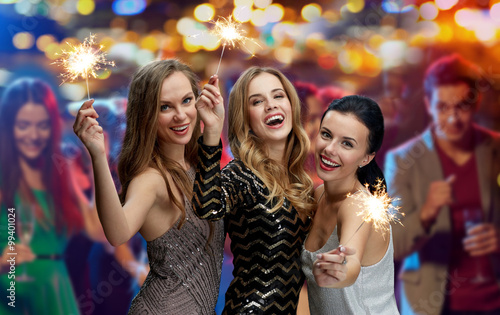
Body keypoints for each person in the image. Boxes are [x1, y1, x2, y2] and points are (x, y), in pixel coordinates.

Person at [73, 59, 225, 314]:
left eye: (187, 101)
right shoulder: (152, 178)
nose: (180, 114)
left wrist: (212, 129)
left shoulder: (198, 165)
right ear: (146, 115)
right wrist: (98, 156)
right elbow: (118, 233)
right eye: (165, 107)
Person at [193, 66, 315, 314]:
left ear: (291, 105)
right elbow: (207, 207)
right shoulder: (241, 175)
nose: (271, 105)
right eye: (257, 101)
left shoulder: (300, 181)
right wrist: (213, 131)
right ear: (245, 118)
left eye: (278, 96)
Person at [385, 53, 500, 315]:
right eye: (442, 108)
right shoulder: (403, 161)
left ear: (476, 102)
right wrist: (426, 213)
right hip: (432, 305)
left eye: (461, 106)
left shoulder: (495, 149)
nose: (452, 118)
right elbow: (392, 245)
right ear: (428, 105)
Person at [0, 77, 103, 314]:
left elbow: (98, 231)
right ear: (8, 126)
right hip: (10, 299)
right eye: (23, 125)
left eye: (43, 125)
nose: (34, 135)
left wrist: (95, 162)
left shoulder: (61, 171)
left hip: (55, 293)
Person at [301, 95, 399, 314]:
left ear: (366, 158)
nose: (330, 149)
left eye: (347, 143)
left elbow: (351, 263)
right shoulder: (316, 197)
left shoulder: (359, 205)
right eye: (326, 135)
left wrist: (340, 270)